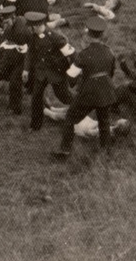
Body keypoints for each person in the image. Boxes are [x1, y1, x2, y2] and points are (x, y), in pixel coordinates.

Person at [56, 18, 117, 158]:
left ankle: (65, 150)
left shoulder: (83, 55)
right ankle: (106, 153)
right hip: (107, 92)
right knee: (104, 121)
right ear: (101, 35)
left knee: (70, 117)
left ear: (88, 34)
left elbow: (71, 78)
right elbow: (111, 73)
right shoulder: (110, 52)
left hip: (89, 93)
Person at [24, 12, 73, 132]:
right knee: (36, 97)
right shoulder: (33, 36)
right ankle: (35, 125)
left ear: (36, 26)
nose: (30, 29)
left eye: (31, 27)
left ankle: (79, 108)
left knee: (63, 96)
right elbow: (30, 52)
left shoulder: (55, 37)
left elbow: (72, 54)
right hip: (41, 72)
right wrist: (26, 69)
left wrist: (74, 72)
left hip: (56, 73)